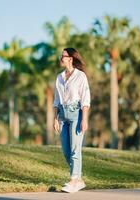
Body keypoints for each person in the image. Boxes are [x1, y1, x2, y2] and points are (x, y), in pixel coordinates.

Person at [53, 47, 90, 193]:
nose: (61, 58)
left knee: (75, 149)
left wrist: (84, 119)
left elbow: (85, 99)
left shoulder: (80, 76)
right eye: (61, 56)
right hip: (62, 115)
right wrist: (55, 118)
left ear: (70, 59)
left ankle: (74, 179)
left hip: (76, 114)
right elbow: (56, 100)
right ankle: (78, 180)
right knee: (66, 150)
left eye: (63, 56)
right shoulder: (59, 77)